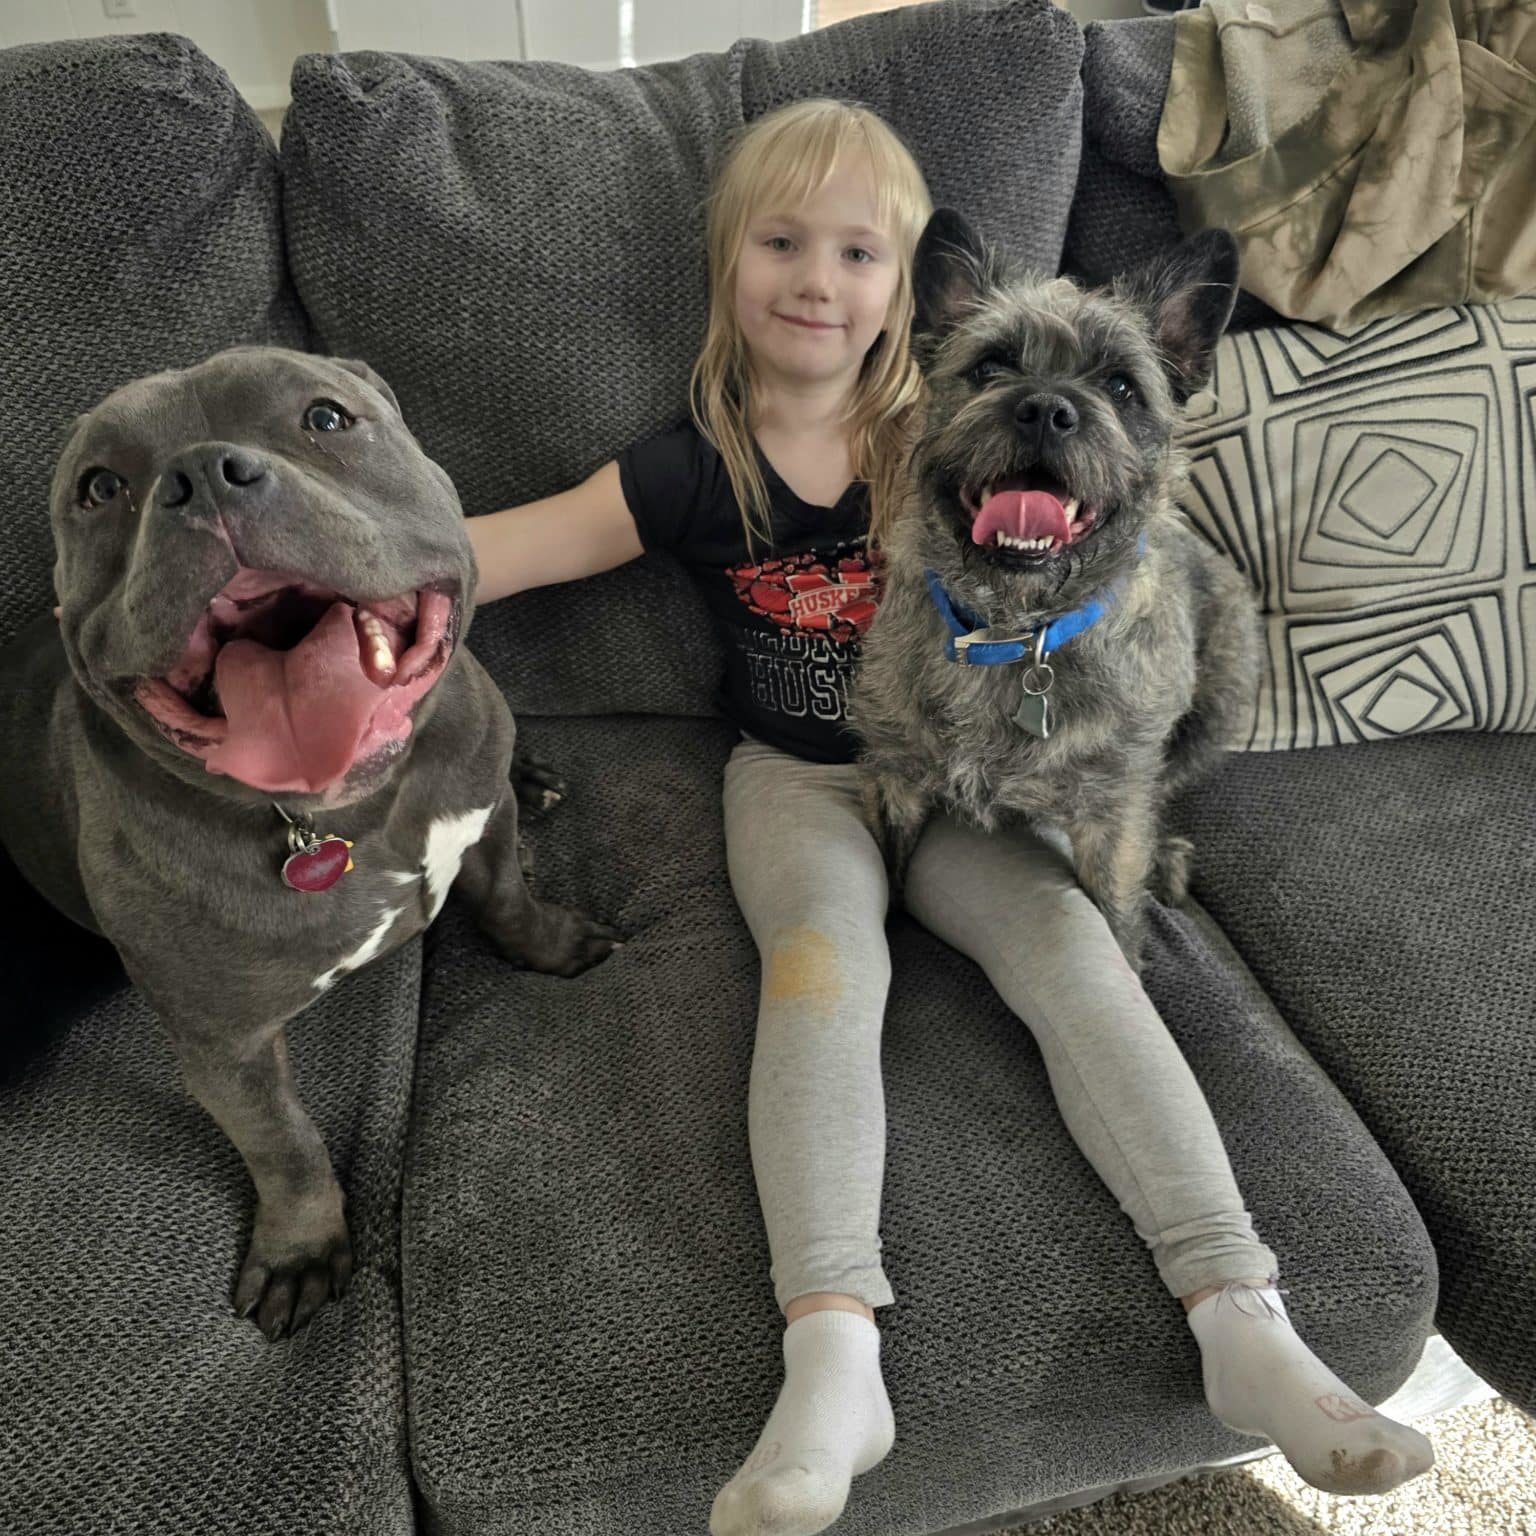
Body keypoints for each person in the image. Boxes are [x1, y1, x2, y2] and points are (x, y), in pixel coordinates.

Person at [467, 96, 1433, 1536]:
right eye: (781, 242)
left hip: (979, 774)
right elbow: (488, 555)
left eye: (859, 250)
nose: (815, 277)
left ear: (904, 297)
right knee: (819, 973)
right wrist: (325, 579)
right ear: (730, 264)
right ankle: (834, 1353)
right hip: (801, 777)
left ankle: (1246, 1317)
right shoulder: (692, 463)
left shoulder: (942, 420)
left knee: (1079, 963)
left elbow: (1116, 493)